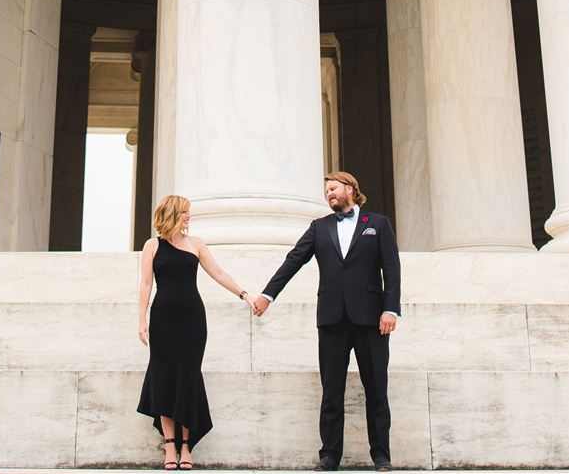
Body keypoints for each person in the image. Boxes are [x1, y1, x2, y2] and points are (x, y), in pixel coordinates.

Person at [253, 171, 401, 472]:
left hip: (371, 318)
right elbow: (294, 260)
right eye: (326, 192)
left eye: (333, 189)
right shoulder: (319, 228)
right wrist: (268, 294)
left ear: (350, 188)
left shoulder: (378, 224)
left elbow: (392, 269)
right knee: (331, 390)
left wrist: (391, 309)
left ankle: (381, 455)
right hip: (332, 319)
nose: (329, 195)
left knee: (376, 388)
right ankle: (330, 454)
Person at [137, 193, 258, 469]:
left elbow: (218, 273)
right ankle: (170, 446)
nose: (189, 217)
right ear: (172, 214)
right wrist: (141, 320)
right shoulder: (152, 246)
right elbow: (145, 284)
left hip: (192, 319)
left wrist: (244, 294)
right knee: (164, 375)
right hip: (163, 318)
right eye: (184, 213)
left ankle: (186, 445)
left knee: (188, 376)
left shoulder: (196, 244)